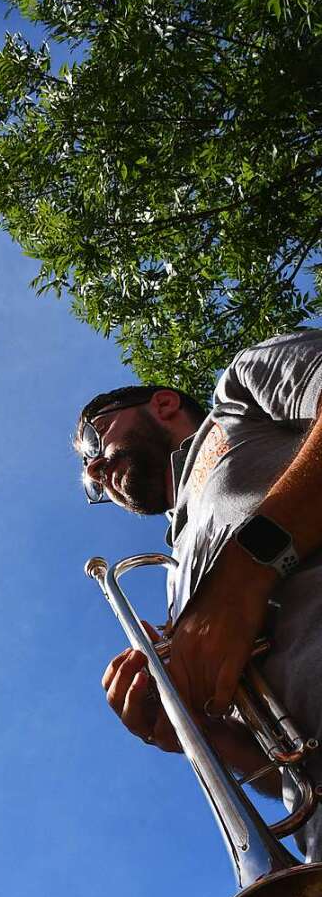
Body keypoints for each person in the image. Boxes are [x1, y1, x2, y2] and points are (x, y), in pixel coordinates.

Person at [75, 329, 322, 861]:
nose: (94, 469)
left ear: (162, 404)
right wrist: (202, 732)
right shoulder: (175, 581)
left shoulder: (239, 394)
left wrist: (245, 573)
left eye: (95, 442)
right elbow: (274, 764)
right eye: (89, 479)